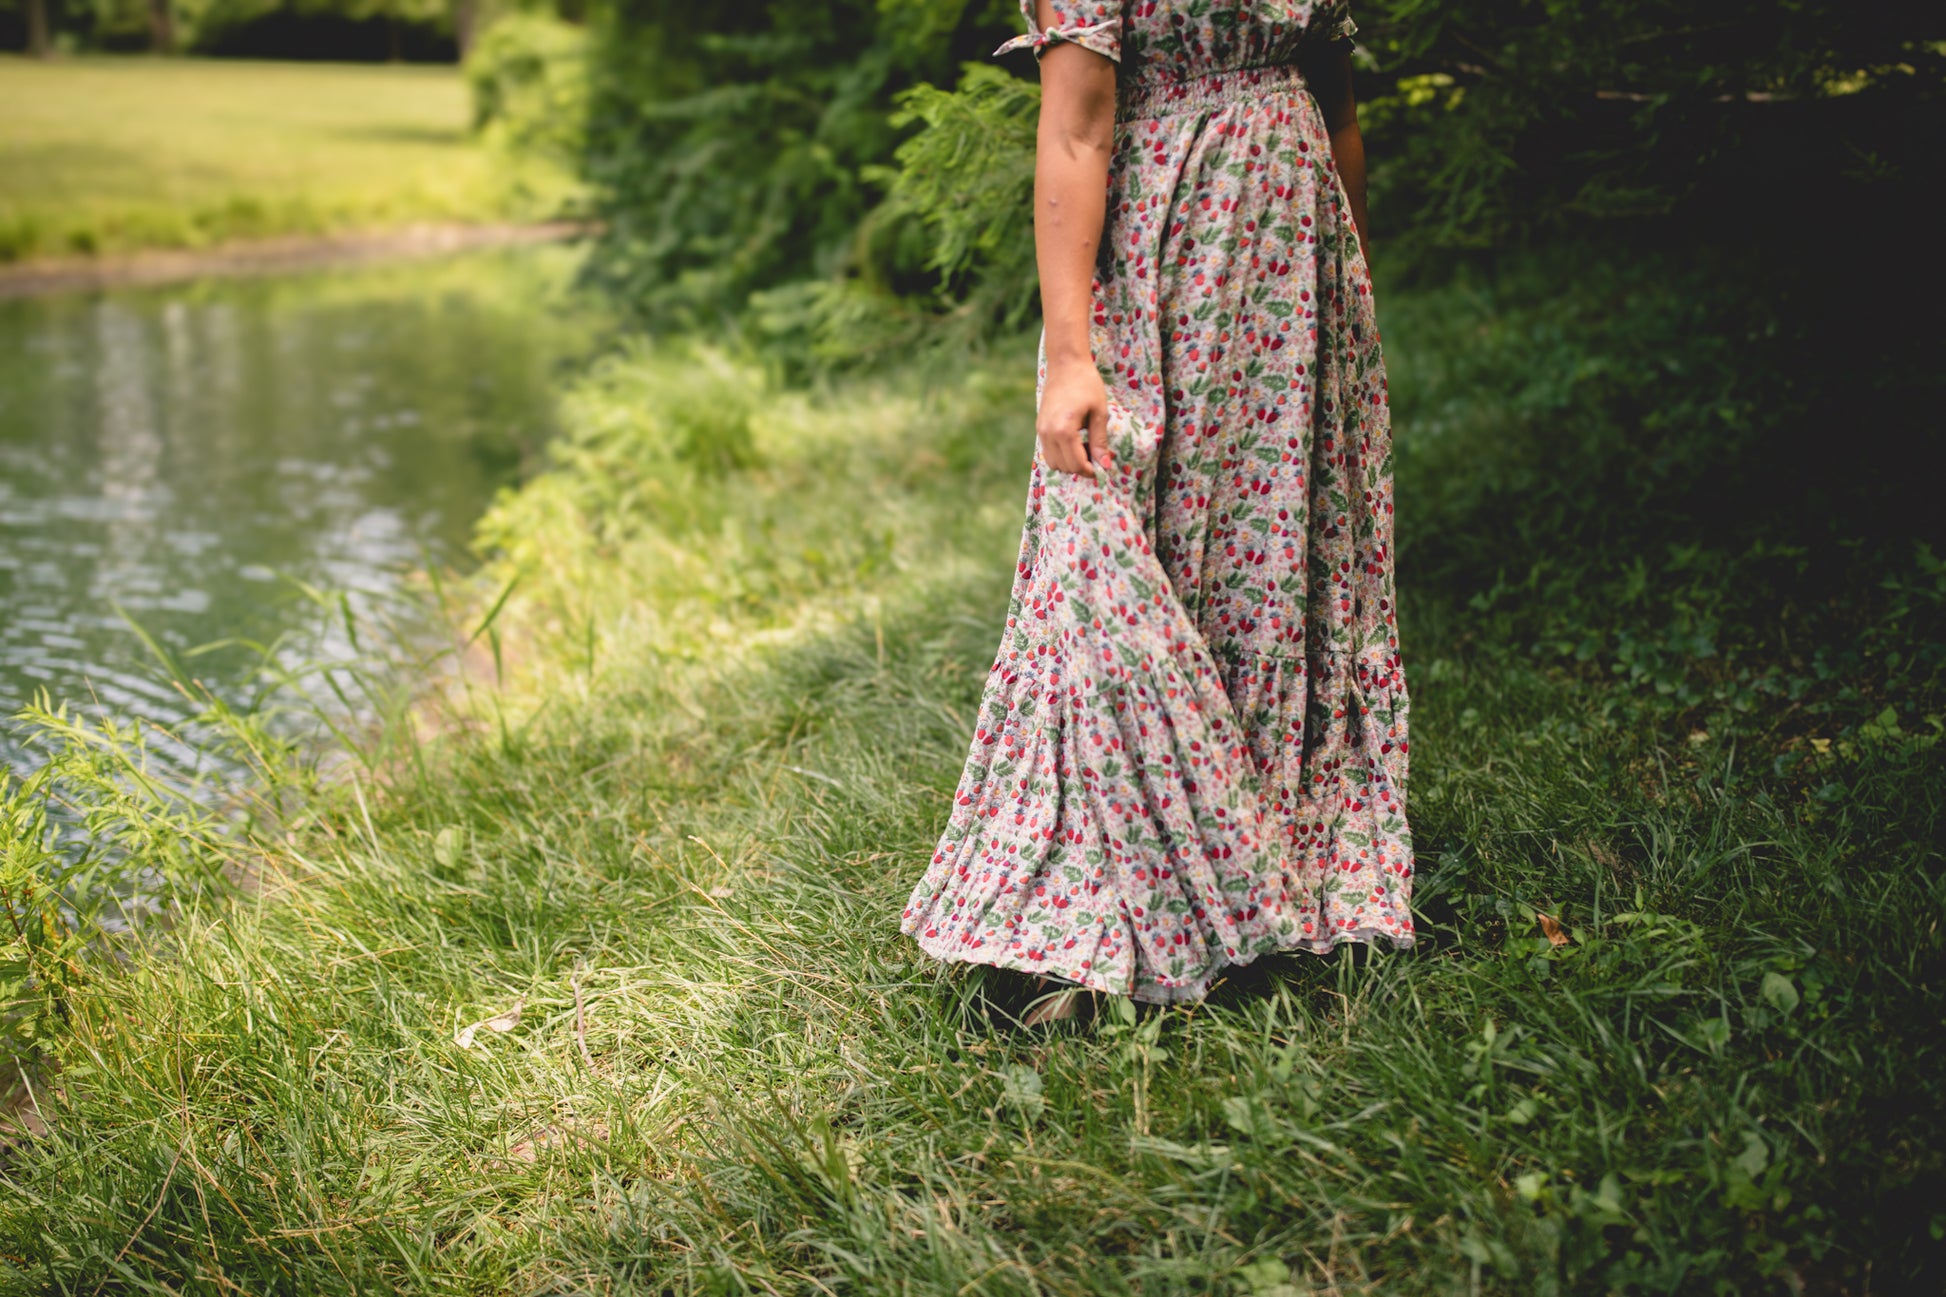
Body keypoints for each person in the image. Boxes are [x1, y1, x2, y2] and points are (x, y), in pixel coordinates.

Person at [902, 0, 1413, 1020]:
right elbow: (1075, 129)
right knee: (1124, 551)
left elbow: (1334, 104)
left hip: (1290, 271)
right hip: (1159, 259)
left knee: (1273, 567)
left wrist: (1343, 284)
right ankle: (1093, 905)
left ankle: (1279, 871)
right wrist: (1071, 355)